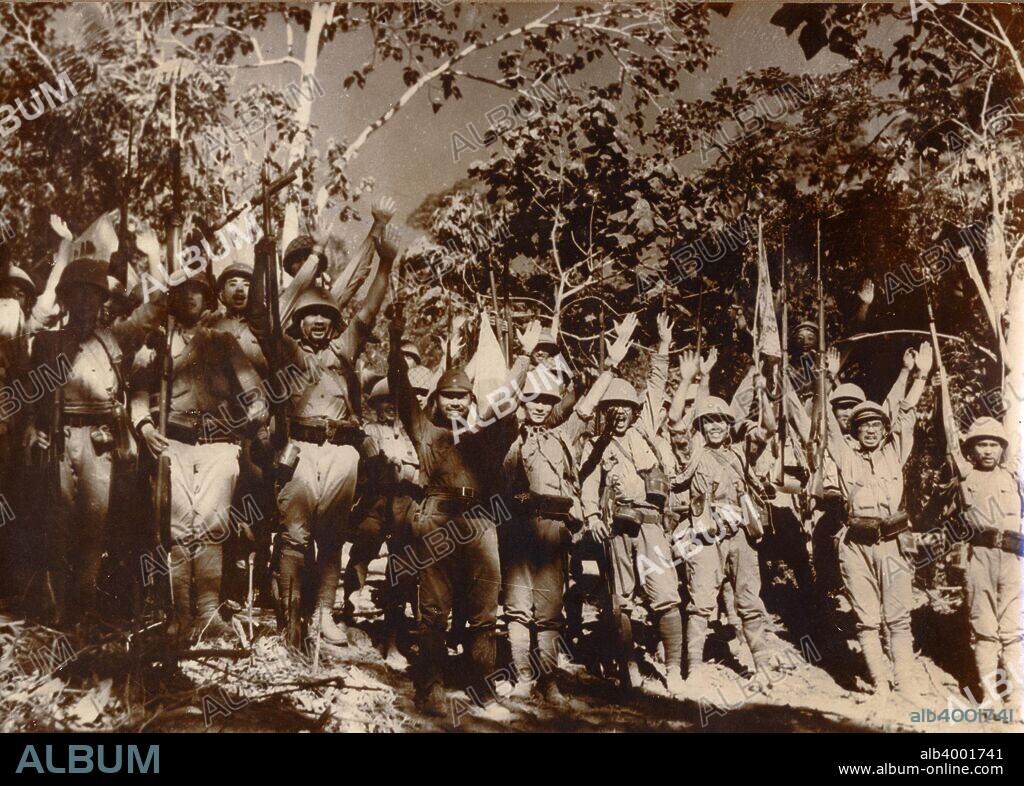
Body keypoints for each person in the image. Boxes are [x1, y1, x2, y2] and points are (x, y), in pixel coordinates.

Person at [388, 302, 539, 720]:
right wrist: (393, 342)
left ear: (472, 401)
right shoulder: (425, 432)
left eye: (462, 397)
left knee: (484, 614)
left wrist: (524, 357)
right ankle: (430, 690)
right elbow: (400, 391)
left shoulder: (485, 437)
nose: (455, 404)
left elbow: (506, 401)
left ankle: (483, 693)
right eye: (448, 397)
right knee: (434, 612)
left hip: (479, 523)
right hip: (436, 518)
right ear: (436, 400)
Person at [268, 223, 398, 647]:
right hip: (299, 449)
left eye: (326, 314)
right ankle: (289, 618)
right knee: (294, 535)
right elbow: (269, 314)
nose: (319, 320)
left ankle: (323, 613)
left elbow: (369, 311)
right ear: (299, 320)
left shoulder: (343, 351)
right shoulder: (286, 352)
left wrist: (386, 262)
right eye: (310, 315)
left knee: (331, 538)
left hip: (341, 451)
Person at [25, 235, 164, 632]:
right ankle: (56, 614)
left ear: (102, 301)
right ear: (65, 299)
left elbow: (153, 309)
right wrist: (35, 432)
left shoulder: (114, 338)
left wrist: (154, 257)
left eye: (93, 296)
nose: (85, 304)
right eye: (77, 296)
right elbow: (33, 396)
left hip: (101, 443)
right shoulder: (47, 343)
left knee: (93, 529)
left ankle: (83, 608)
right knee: (55, 528)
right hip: (59, 439)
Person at [503, 313, 637, 704]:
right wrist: (525, 357)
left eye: (547, 400)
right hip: (516, 529)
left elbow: (586, 406)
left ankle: (548, 681)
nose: (540, 406)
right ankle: (523, 678)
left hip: (554, 530)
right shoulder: (507, 433)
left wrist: (610, 367)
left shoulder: (564, 435)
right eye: (533, 400)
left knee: (549, 610)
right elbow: (505, 395)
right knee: (516, 609)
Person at [132, 270, 267, 642]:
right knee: (176, 528)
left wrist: (258, 408)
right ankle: (179, 613)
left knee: (212, 527)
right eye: (183, 291)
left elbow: (253, 387)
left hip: (218, 443)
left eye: (198, 292)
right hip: (171, 441)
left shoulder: (223, 341)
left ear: (208, 299)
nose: (190, 297)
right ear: (172, 298)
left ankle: (208, 611)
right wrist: (143, 425)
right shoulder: (156, 343)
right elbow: (139, 391)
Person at [580, 313, 686, 695]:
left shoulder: (646, 430)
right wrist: (591, 513)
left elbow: (656, 386)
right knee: (619, 601)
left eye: (626, 406)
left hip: (652, 526)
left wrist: (663, 346)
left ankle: (673, 669)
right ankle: (628, 669)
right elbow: (588, 483)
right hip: (617, 529)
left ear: (634, 411)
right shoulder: (595, 445)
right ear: (604, 412)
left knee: (665, 594)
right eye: (612, 408)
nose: (620, 413)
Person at [826, 342, 933, 696]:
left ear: (883, 429)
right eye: (863, 425)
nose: (870, 430)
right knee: (867, 619)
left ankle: (905, 681)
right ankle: (881, 685)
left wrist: (916, 375)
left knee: (898, 617)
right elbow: (827, 422)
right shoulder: (844, 454)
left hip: (893, 543)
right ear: (854, 431)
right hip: (856, 545)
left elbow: (905, 409)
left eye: (876, 424)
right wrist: (829, 379)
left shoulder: (895, 452)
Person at [676, 370, 778, 684]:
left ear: (728, 424)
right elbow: (674, 427)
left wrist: (763, 395)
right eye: (708, 421)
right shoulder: (692, 455)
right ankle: (693, 668)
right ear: (700, 427)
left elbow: (769, 430)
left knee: (749, 599)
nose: (715, 426)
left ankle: (760, 666)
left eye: (720, 420)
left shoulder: (740, 454)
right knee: (702, 601)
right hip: (707, 535)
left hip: (740, 535)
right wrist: (691, 382)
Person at [343, 374, 426, 669]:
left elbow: (424, 472)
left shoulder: (415, 434)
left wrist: (406, 474)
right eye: (384, 402)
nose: (391, 407)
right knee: (363, 549)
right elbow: (362, 468)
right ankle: (348, 610)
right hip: (375, 502)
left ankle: (394, 633)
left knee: (403, 566)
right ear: (376, 406)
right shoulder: (369, 432)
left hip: (407, 504)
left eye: (396, 402)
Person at [944, 415, 1021, 714]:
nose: (988, 450)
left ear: (1003, 449)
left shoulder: (1014, 476)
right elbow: (950, 438)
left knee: (1013, 631)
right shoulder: (965, 479)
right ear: (971, 450)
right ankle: (991, 696)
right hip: (980, 557)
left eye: (994, 444)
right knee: (985, 629)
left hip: (1014, 558)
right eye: (981, 444)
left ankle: (1017, 697)